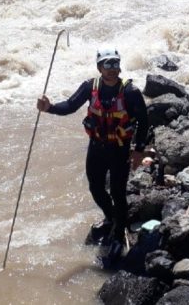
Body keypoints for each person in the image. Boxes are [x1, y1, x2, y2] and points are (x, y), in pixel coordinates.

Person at [36, 47, 148, 261]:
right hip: (96, 147)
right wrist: (49, 107)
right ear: (99, 67)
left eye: (116, 63)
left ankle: (118, 232)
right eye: (108, 64)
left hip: (120, 149)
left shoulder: (130, 92)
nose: (112, 68)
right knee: (95, 188)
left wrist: (138, 151)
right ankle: (111, 217)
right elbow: (69, 106)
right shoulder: (90, 87)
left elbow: (144, 121)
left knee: (117, 192)